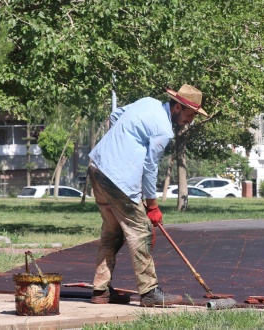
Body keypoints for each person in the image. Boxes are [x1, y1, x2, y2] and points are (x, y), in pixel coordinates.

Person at [87, 84, 208, 306]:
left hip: (98, 167)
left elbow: (115, 115)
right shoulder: (163, 129)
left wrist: (123, 145)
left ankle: (100, 291)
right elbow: (151, 167)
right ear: (178, 107)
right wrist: (152, 206)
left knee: (112, 232)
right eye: (190, 115)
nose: (190, 121)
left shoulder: (147, 102)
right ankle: (149, 292)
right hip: (117, 177)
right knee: (141, 231)